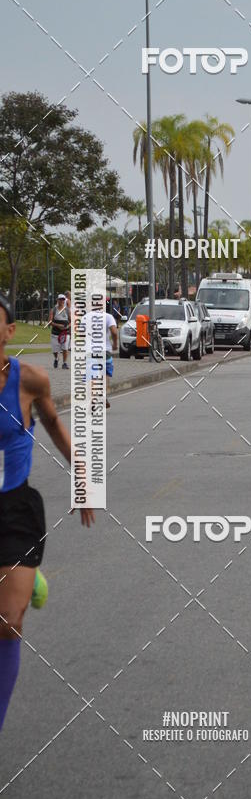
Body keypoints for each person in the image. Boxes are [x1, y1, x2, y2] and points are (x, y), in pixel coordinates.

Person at [0, 295, 95, 731]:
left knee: (8, 623)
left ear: (9, 331)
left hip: (14, 510)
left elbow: (56, 428)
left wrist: (83, 483)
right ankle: (22, 577)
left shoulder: (30, 380)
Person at [80, 307, 118, 408]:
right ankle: (103, 395)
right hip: (105, 351)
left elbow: (81, 334)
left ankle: (93, 398)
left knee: (92, 375)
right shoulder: (108, 317)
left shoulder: (85, 317)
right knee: (106, 373)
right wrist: (115, 344)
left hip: (89, 351)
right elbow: (114, 332)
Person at [50, 294, 70, 370]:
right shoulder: (53, 310)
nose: (61, 301)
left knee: (65, 348)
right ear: (57, 300)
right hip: (55, 333)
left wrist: (68, 326)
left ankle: (64, 363)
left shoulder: (67, 310)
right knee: (55, 350)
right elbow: (50, 322)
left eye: (63, 299)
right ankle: (56, 359)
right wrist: (58, 325)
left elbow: (72, 321)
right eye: (60, 299)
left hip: (65, 332)